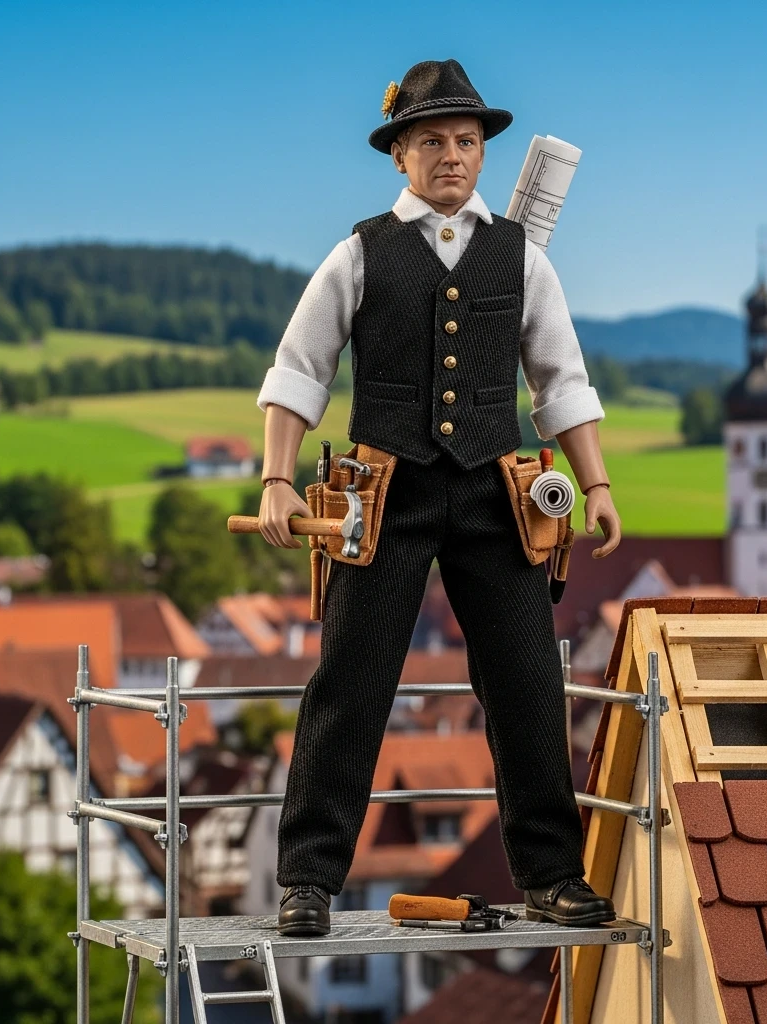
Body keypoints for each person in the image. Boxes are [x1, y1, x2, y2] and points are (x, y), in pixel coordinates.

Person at [256, 59, 622, 936]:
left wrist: (597, 480)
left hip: (499, 495)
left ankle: (550, 871)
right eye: (431, 142)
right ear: (400, 156)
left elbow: (560, 377)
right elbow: (298, 369)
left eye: (464, 141)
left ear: (484, 153)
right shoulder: (360, 252)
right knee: (352, 678)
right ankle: (308, 877)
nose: (450, 156)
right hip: (383, 495)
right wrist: (276, 473)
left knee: (528, 679)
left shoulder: (521, 258)